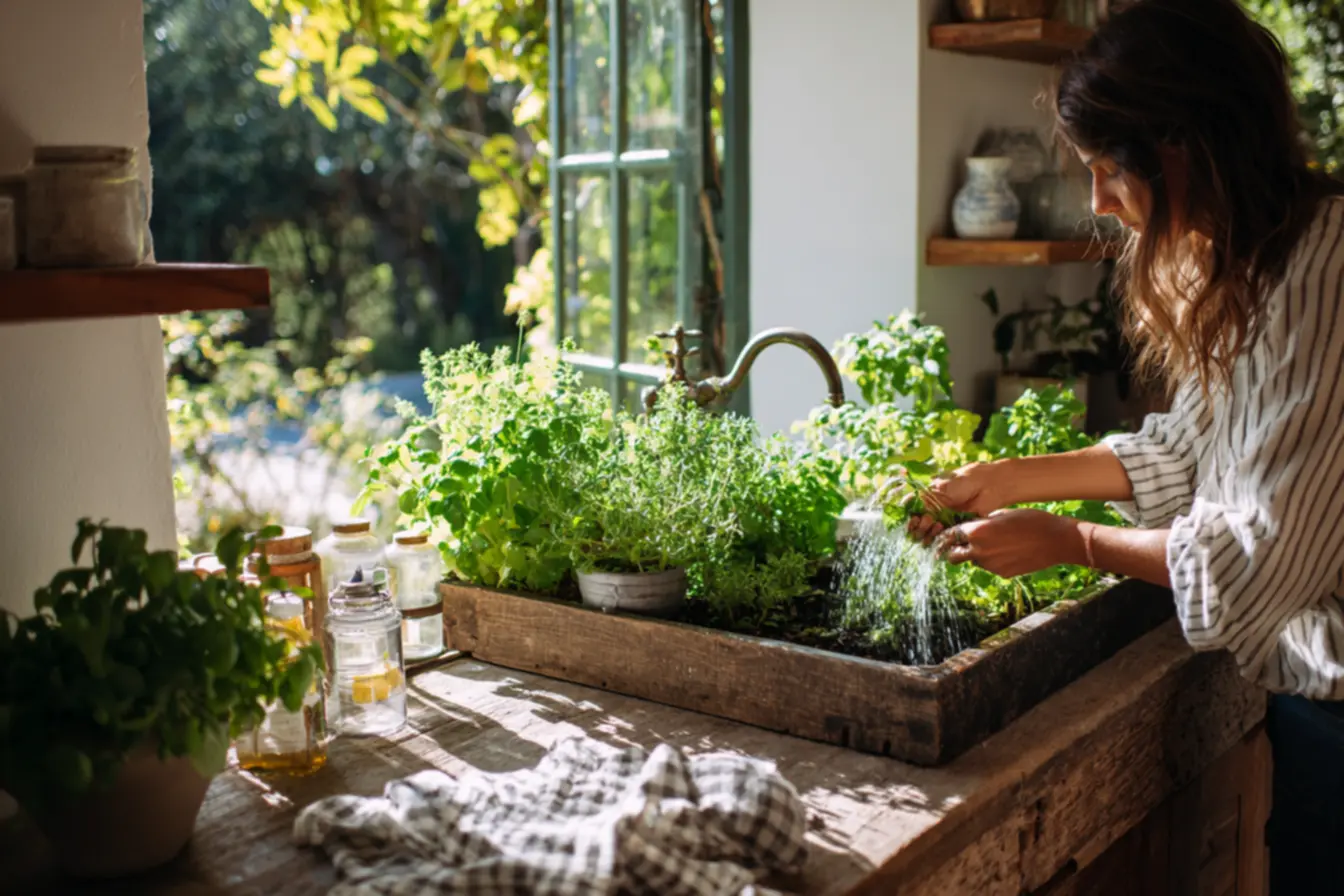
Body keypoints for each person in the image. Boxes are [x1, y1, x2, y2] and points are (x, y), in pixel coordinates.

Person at [907, 0, 1344, 891]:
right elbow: (1191, 448)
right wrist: (1008, 478)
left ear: (1184, 143)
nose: (1098, 202)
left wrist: (1071, 540)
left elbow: (1253, 566)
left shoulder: (1321, 270)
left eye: (1109, 169)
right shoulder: (1263, 256)